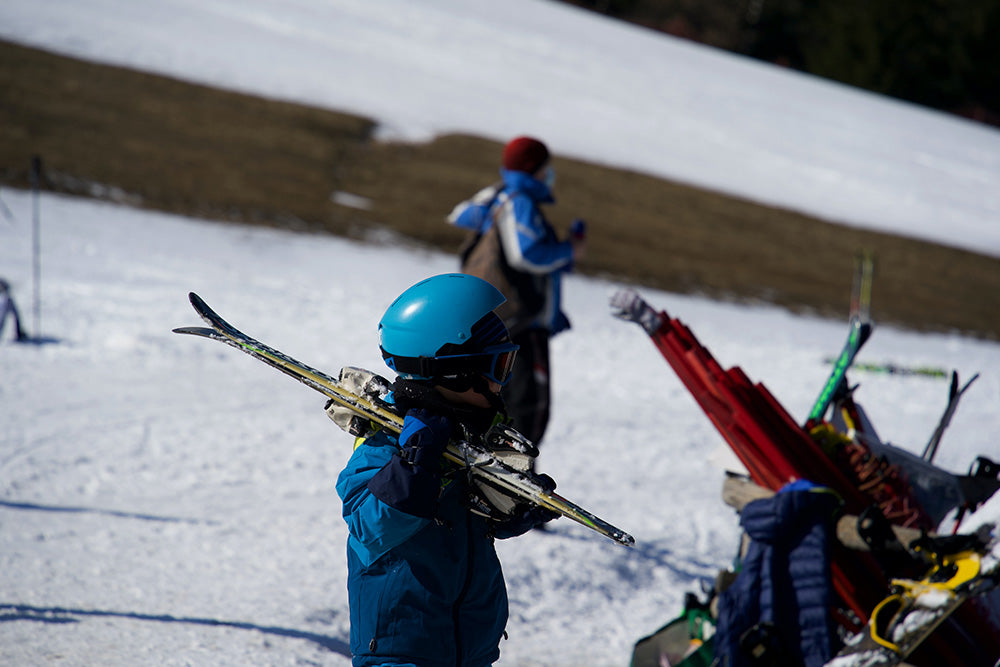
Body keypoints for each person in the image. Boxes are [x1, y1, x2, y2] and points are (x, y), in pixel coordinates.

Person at [333, 273, 556, 667]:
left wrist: (510, 509)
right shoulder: (385, 444)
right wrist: (415, 465)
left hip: (469, 648)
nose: (502, 383)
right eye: (497, 366)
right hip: (401, 651)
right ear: (455, 371)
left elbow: (470, 519)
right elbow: (370, 528)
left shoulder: (469, 438)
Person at [447, 136, 586, 448]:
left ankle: (492, 466)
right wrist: (568, 250)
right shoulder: (518, 200)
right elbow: (527, 254)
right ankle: (515, 475)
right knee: (526, 408)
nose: (550, 175)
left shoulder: (499, 196)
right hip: (522, 323)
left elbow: (459, 214)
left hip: (500, 322)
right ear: (534, 168)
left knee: (498, 397)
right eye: (546, 168)